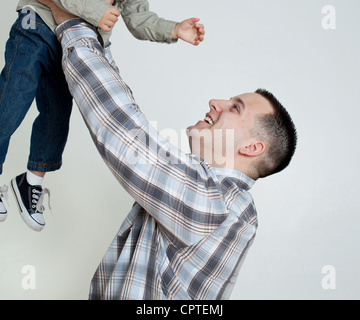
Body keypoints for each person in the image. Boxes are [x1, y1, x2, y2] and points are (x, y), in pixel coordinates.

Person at [39, 0, 297, 300]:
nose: (216, 102)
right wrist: (92, 25)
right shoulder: (205, 192)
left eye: (235, 107)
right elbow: (128, 112)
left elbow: (123, 130)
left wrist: (68, 18)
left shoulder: (221, 203)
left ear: (252, 147)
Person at [0, 0, 205, 231]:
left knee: (57, 115)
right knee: (13, 98)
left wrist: (175, 29)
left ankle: (31, 183)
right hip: (35, 24)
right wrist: (96, 13)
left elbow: (139, 20)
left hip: (67, 41)